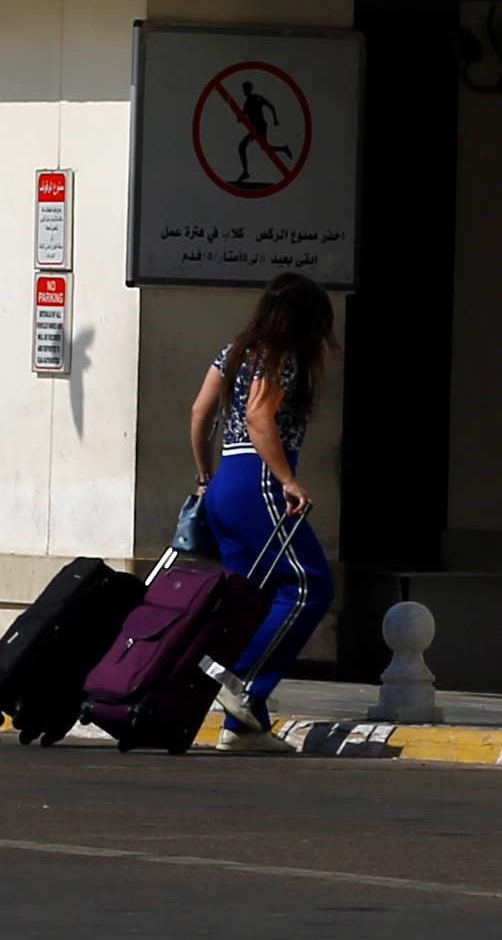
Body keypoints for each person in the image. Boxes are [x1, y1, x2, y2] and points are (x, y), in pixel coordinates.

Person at [184, 273, 340, 742]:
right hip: (260, 481)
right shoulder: (281, 355)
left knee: (251, 600)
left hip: (224, 485)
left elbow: (199, 413)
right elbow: (258, 415)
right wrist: (288, 479)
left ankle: (242, 729)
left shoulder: (232, 352)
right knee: (310, 586)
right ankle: (242, 682)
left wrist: (203, 477)